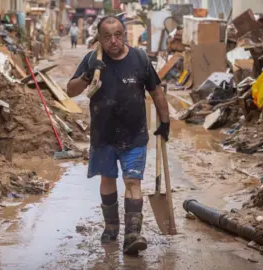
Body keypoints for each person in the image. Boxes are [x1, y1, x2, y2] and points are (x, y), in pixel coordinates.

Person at [66, 16, 170, 255]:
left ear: (125, 35)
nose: (113, 41)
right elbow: (70, 92)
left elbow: (156, 92)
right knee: (107, 179)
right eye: (107, 36)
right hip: (103, 135)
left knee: (133, 181)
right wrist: (87, 75)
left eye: (118, 35)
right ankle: (111, 225)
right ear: (100, 39)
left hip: (134, 135)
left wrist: (165, 122)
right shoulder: (92, 59)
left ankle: (133, 233)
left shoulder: (140, 59)